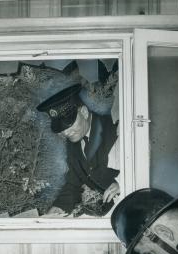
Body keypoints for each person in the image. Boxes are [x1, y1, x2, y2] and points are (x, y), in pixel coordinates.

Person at [37, 84, 120, 215]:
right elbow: (74, 182)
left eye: (69, 124)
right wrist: (59, 207)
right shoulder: (73, 143)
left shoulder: (114, 129)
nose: (66, 133)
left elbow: (141, 164)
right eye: (61, 128)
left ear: (84, 112)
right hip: (104, 211)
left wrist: (122, 184)